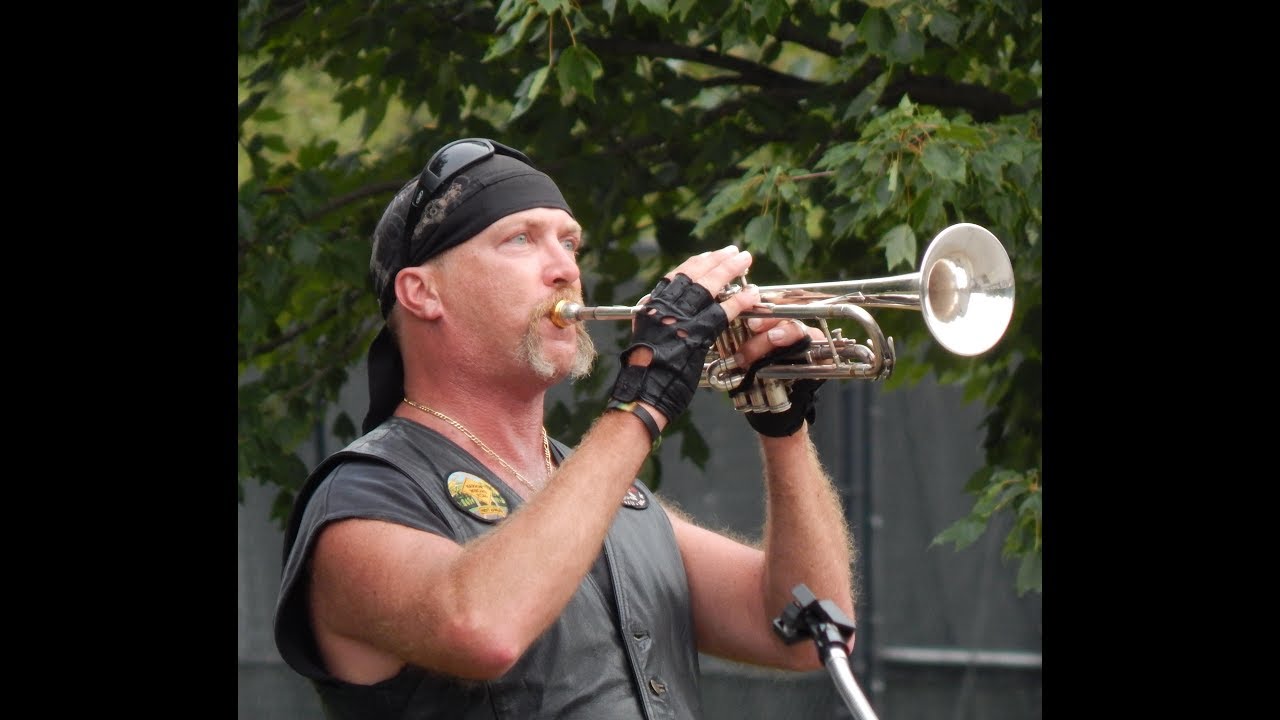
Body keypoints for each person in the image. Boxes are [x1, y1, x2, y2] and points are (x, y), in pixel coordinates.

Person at [273, 137, 857, 719]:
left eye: (569, 241)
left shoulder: (603, 494)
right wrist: (642, 404)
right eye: (521, 239)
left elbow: (808, 632)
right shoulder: (361, 498)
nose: (565, 270)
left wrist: (783, 428)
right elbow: (483, 628)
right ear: (423, 292)